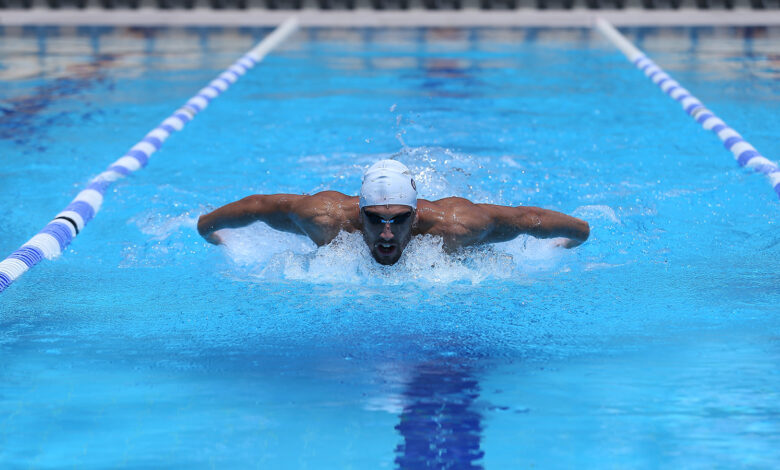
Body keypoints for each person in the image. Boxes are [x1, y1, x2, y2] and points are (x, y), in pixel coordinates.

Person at [197, 160, 589, 266]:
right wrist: (206, 229)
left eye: (400, 220)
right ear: (359, 213)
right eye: (376, 220)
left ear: (416, 216)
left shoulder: (456, 226)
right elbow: (258, 207)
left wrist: (575, 237)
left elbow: (526, 219)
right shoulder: (326, 219)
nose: (387, 234)